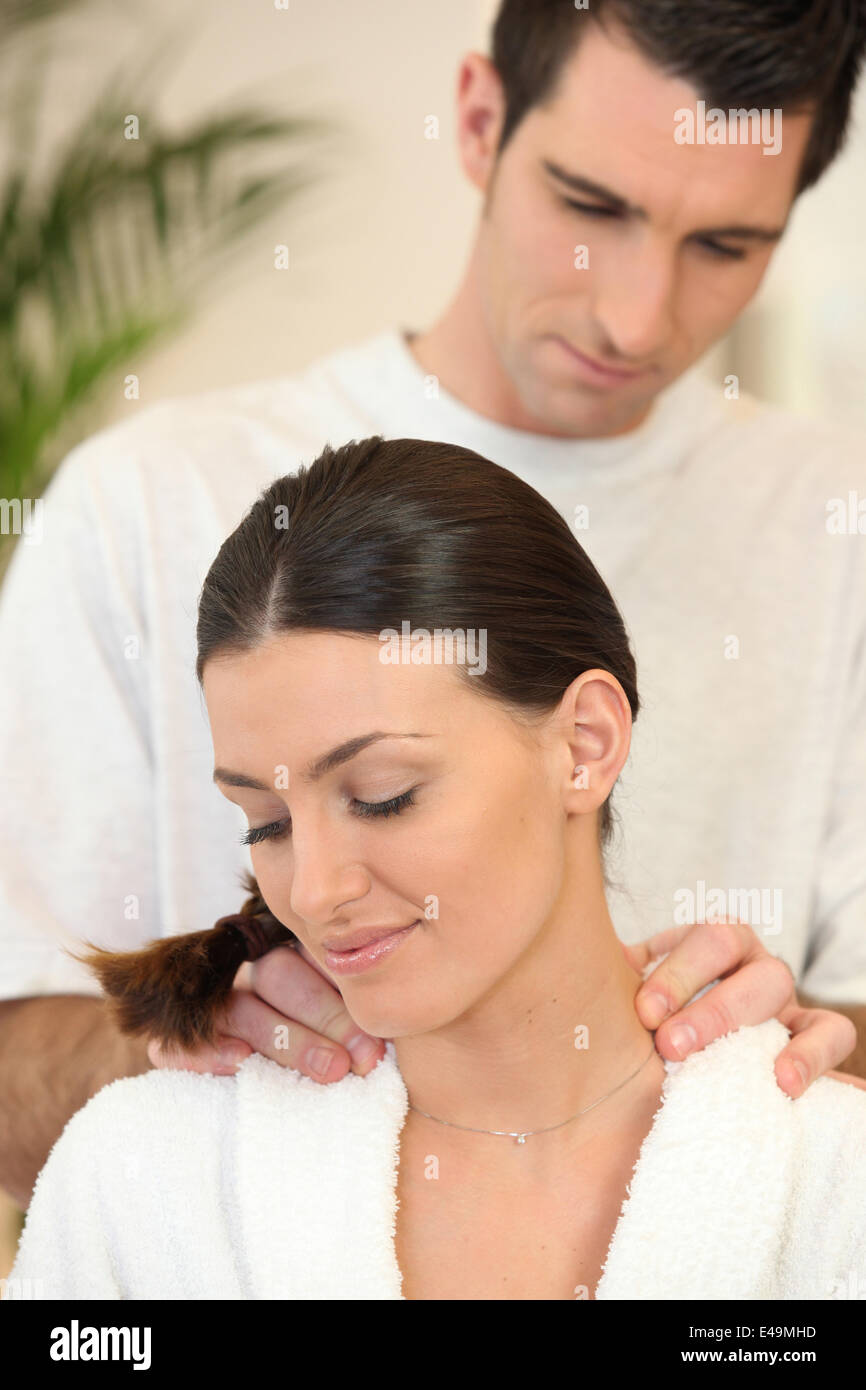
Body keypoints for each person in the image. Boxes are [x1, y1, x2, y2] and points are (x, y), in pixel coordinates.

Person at [2, 0, 866, 1211]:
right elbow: (11, 1058)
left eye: (724, 245)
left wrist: (800, 1054)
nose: (634, 315)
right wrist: (203, 1053)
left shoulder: (839, 528)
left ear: (591, 741)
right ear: (477, 119)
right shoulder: (138, 506)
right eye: (588, 206)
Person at [9, 437, 866, 1301]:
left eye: (383, 797)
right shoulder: (142, 1180)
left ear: (584, 746)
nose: (313, 890)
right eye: (264, 825)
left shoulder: (832, 1185)